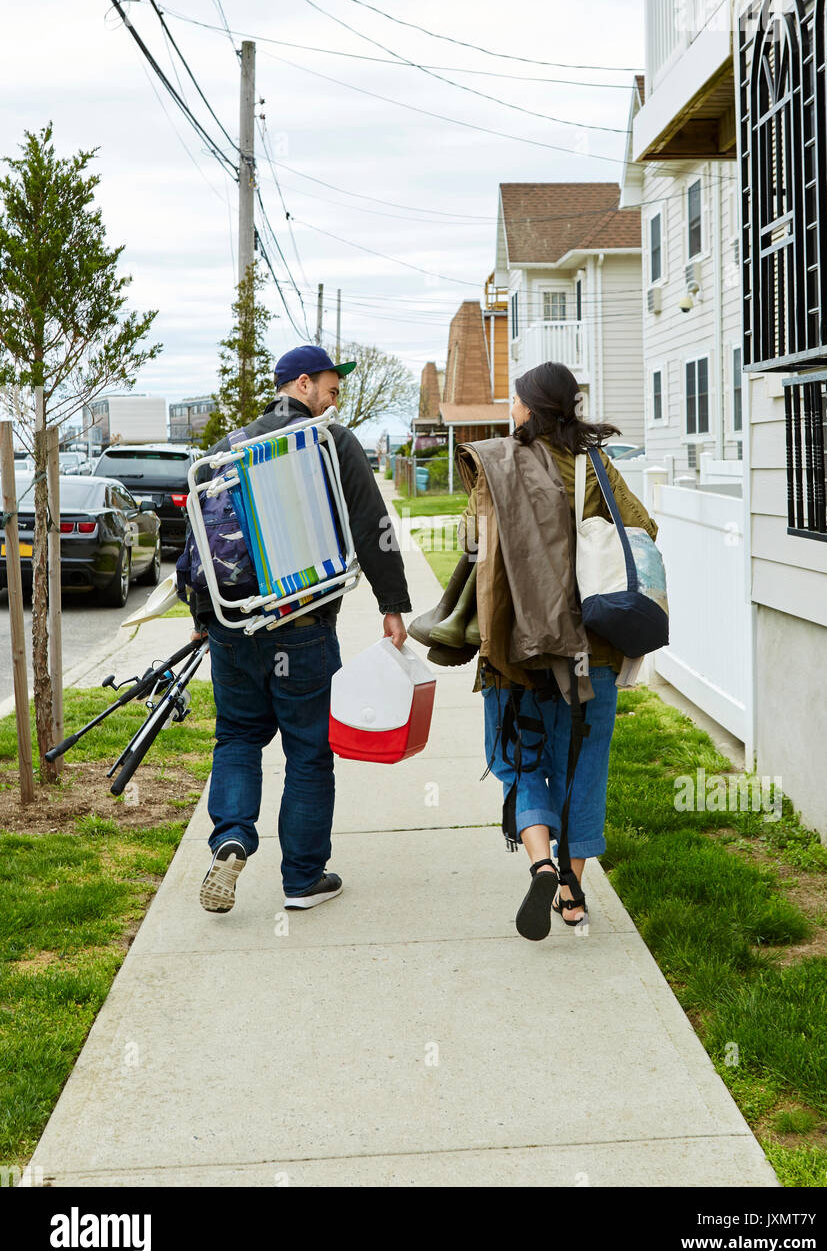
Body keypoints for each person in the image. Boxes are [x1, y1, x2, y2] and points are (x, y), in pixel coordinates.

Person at [182, 345, 411, 915]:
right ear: (302, 384)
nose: (337, 398)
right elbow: (373, 525)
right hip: (304, 626)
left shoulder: (227, 449)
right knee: (309, 751)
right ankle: (302, 879)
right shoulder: (331, 443)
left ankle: (231, 837)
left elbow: (198, 546)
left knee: (237, 736)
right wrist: (392, 603)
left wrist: (200, 619)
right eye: (332, 388)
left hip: (235, 629)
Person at [456, 361, 659, 941]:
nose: (511, 408)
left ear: (530, 407)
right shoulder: (594, 466)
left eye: (516, 399)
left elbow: (473, 542)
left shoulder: (497, 464)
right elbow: (641, 529)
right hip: (589, 648)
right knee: (583, 769)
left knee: (523, 762)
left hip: (517, 647)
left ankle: (540, 862)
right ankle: (571, 895)